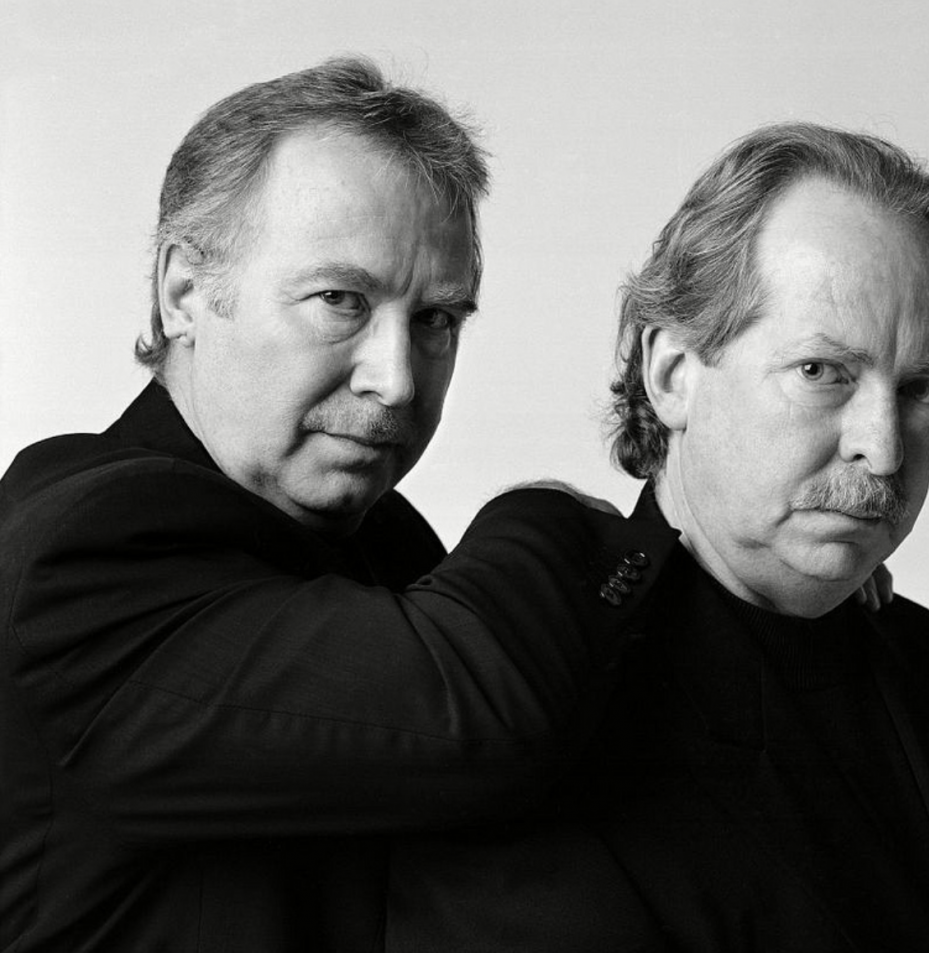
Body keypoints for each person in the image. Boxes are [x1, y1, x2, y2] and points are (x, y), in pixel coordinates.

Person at [0, 58, 682, 952]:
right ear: (183, 293)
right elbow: (481, 716)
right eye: (340, 300)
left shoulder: (381, 540)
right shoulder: (83, 547)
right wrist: (555, 509)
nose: (396, 380)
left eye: (437, 319)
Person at [384, 124, 929, 952]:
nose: (885, 446)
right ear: (672, 373)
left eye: (921, 388)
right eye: (821, 371)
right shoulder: (539, 711)